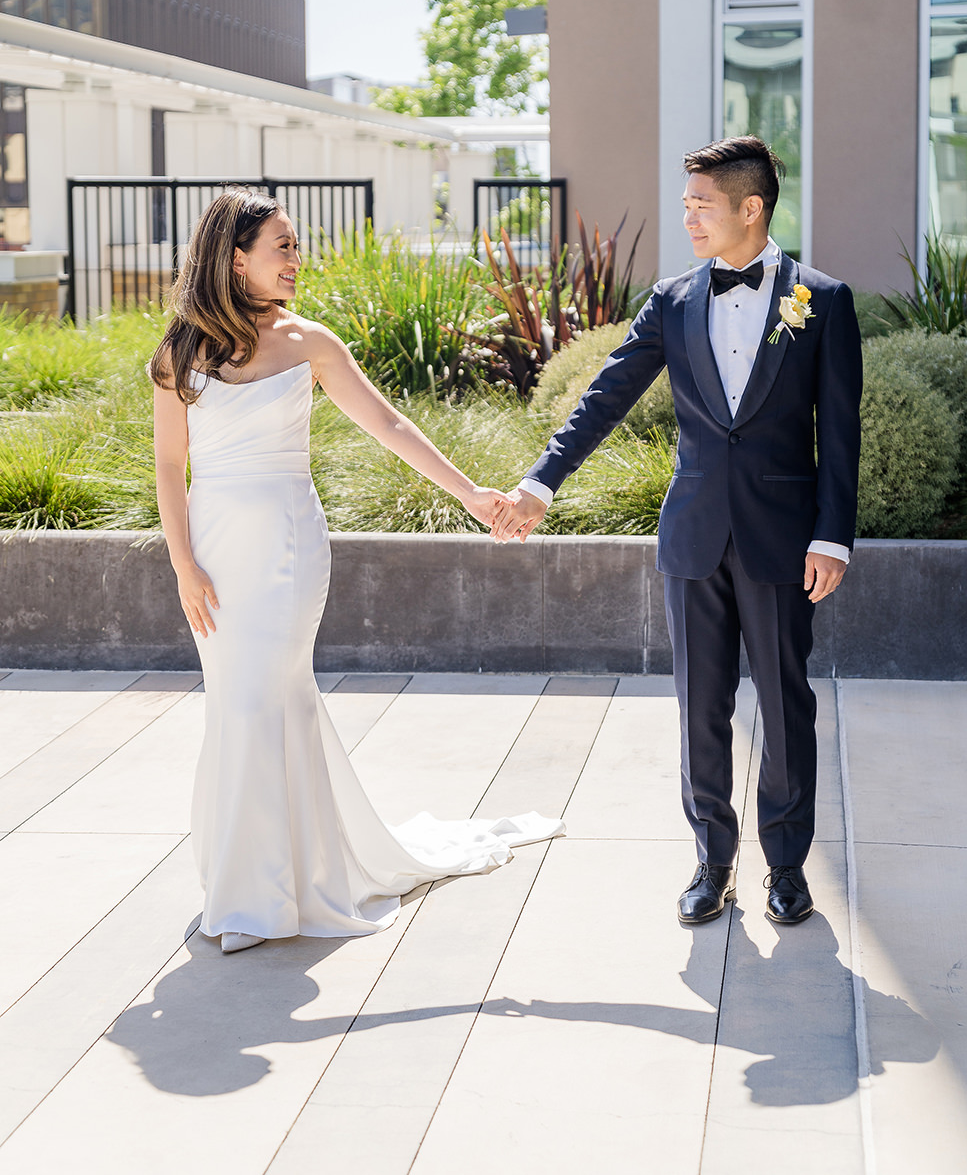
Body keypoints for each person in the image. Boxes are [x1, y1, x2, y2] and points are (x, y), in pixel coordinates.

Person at [150, 189, 563, 955]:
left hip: (286, 544)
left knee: (262, 698)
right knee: (241, 704)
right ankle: (258, 879)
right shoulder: (181, 351)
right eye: (282, 246)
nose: (295, 260)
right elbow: (170, 466)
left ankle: (256, 898)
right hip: (213, 549)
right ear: (235, 258)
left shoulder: (311, 343)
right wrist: (181, 564)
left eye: (295, 246)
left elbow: (388, 424)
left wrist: (471, 492)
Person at [492, 136, 862, 927]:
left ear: (750, 208)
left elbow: (841, 430)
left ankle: (788, 866)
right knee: (701, 704)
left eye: (701, 205)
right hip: (694, 537)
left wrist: (833, 535)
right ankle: (713, 859)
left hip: (783, 538)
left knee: (788, 703)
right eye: (687, 204)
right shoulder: (672, 299)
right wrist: (539, 483)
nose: (688, 218)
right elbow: (604, 398)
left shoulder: (822, 301)